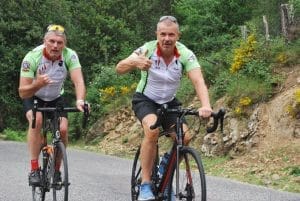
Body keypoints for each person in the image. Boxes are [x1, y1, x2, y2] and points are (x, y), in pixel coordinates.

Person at [116, 16, 212, 201]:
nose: (167, 38)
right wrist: (135, 63)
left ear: (178, 36)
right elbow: (119, 68)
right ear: (157, 35)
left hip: (169, 102)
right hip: (145, 100)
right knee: (152, 132)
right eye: (163, 34)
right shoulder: (147, 49)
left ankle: (166, 167)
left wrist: (206, 105)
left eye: (171, 34)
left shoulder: (185, 54)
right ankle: (145, 185)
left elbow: (198, 81)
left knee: (185, 137)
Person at [18, 24, 87, 186]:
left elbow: (79, 81)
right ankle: (34, 169)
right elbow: (23, 92)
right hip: (33, 95)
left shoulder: (70, 56)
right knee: (37, 121)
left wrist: (80, 100)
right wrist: (37, 84)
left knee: (63, 129)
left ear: (65, 44)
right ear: (45, 41)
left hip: (56, 97)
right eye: (52, 41)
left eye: (60, 43)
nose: (55, 46)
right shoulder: (32, 57)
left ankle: (56, 170)